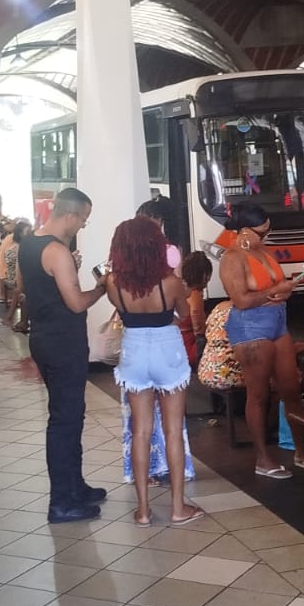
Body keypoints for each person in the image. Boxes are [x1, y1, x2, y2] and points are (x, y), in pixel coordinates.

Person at [19, 188, 109, 522]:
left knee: (70, 415)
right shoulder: (57, 251)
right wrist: (102, 288)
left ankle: (75, 486)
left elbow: (23, 286)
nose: (83, 226)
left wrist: (66, 271)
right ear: (70, 215)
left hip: (43, 338)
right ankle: (61, 502)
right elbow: (76, 303)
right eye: (83, 219)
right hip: (62, 342)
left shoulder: (30, 242)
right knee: (64, 420)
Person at [106, 216, 202, 527]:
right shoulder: (170, 282)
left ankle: (144, 511)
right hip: (167, 350)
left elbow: (121, 313)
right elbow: (184, 314)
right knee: (173, 430)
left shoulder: (112, 283)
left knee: (141, 432)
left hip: (133, 350)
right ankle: (177, 507)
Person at [218, 202, 304, 479]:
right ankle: (263, 459)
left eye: (268, 230)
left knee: (291, 387)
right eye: (262, 232)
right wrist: (275, 292)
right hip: (250, 327)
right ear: (244, 230)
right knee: (258, 394)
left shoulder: (263, 251)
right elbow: (241, 300)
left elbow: (275, 287)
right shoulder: (232, 258)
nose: (267, 236)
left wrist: (284, 291)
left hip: (277, 321)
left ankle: (302, 450)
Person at [178, 252, 211, 368]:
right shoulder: (194, 294)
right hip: (190, 349)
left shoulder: (178, 289)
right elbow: (195, 314)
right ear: (204, 275)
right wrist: (201, 335)